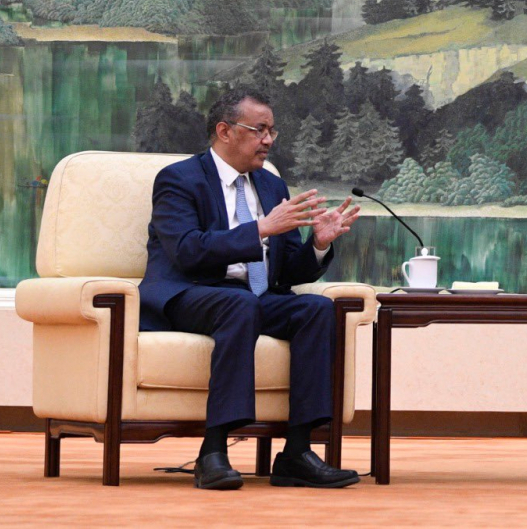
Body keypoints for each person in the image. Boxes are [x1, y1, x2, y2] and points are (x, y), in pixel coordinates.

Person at [139, 88, 362, 490]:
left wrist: (318, 243)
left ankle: (297, 453)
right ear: (225, 131)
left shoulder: (271, 186)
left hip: (252, 298)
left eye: (272, 130)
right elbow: (187, 251)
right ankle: (214, 451)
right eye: (259, 129)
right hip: (189, 292)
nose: (269, 140)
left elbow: (284, 272)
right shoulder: (179, 179)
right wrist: (259, 228)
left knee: (315, 310)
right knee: (238, 304)